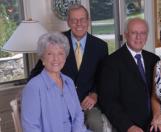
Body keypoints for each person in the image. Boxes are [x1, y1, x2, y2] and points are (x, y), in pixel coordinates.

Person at [29, 4, 108, 132]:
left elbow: (104, 78)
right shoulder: (56, 41)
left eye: (82, 19)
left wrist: (94, 94)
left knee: (95, 122)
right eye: (74, 20)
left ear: (88, 21)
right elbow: (36, 72)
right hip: (59, 102)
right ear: (68, 22)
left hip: (87, 103)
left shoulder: (100, 46)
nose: (78, 23)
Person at [98, 18, 160, 132]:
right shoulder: (111, 62)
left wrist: (159, 117)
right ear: (126, 34)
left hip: (155, 124)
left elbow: (159, 94)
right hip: (129, 126)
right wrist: (128, 126)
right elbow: (108, 101)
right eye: (134, 33)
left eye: (142, 33)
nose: (138, 37)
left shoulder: (154, 60)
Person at [21, 32, 90, 132]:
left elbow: (78, 115)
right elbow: (31, 128)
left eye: (60, 53)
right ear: (42, 58)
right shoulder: (33, 87)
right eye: (50, 54)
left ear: (65, 57)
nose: (56, 58)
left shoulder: (68, 82)